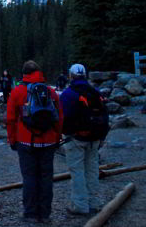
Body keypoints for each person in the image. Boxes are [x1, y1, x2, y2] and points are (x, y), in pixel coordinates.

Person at [7, 60, 63, 224]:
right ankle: (45, 214)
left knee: (29, 177)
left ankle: (31, 213)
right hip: (48, 142)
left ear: (23, 73)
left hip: (25, 142)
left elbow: (10, 119)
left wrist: (12, 140)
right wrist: (57, 137)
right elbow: (59, 117)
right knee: (46, 177)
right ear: (39, 72)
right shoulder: (51, 92)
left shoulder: (17, 92)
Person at [60, 63, 109, 216]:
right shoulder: (95, 92)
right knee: (92, 170)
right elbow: (105, 115)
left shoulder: (68, 94)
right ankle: (94, 203)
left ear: (71, 76)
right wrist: (102, 137)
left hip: (75, 138)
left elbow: (62, 118)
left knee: (77, 172)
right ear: (85, 75)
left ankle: (80, 205)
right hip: (95, 138)